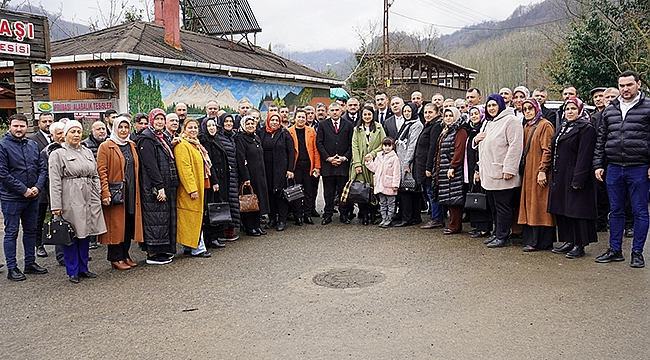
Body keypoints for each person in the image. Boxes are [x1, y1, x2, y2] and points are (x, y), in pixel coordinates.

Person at [594, 70, 650, 268]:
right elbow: (601, 140)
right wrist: (598, 164)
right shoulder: (610, 110)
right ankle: (615, 250)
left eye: (629, 85)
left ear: (638, 84)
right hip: (614, 168)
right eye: (622, 86)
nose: (625, 89)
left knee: (640, 211)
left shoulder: (648, 107)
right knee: (616, 211)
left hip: (639, 168)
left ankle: (637, 252)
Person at [49, 120, 107, 283]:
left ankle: (84, 268)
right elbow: (54, 181)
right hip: (70, 196)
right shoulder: (58, 154)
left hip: (89, 195)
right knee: (72, 234)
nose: (76, 135)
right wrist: (56, 205)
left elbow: (95, 174)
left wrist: (98, 192)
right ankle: (72, 270)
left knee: (85, 232)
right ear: (66, 135)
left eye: (78, 132)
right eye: (72, 132)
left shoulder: (87, 151)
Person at [0, 114, 48, 281]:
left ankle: (30, 263)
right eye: (16, 126)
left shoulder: (32, 145)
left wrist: (37, 187)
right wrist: (23, 190)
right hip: (11, 198)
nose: (19, 129)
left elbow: (42, 168)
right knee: (11, 233)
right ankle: (12, 268)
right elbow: (3, 174)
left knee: (31, 231)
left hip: (32, 196)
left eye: (22, 126)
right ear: (9, 127)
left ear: (27, 127)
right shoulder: (2, 145)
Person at [548, 98, 597, 258]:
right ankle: (568, 240)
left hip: (576, 175)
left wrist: (578, 179)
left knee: (577, 211)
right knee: (564, 209)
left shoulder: (586, 128)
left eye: (573, 109)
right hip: (560, 175)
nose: (569, 112)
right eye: (567, 109)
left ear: (580, 110)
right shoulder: (563, 127)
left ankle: (579, 244)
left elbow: (585, 156)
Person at [474, 94, 524, 248]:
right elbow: (482, 144)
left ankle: (503, 236)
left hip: (502, 173)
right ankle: (497, 232)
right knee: (494, 206)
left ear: (501, 105)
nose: (491, 108)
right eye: (489, 106)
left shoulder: (511, 121)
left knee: (503, 207)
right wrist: (476, 140)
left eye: (494, 105)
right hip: (488, 173)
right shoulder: (488, 123)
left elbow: (516, 147)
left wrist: (510, 169)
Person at [97, 115, 143, 270]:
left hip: (131, 191)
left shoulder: (132, 145)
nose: (123, 130)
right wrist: (105, 192)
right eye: (120, 127)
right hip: (115, 192)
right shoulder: (106, 146)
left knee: (129, 224)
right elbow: (101, 171)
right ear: (115, 128)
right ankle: (115, 257)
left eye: (126, 127)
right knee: (116, 226)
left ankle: (125, 254)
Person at [136, 108, 179, 265]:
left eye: (162, 119)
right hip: (154, 187)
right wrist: (159, 186)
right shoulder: (147, 139)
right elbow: (150, 165)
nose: (160, 122)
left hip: (164, 184)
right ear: (151, 120)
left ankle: (161, 251)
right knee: (155, 219)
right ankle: (153, 254)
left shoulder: (159, 137)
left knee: (161, 218)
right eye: (157, 119)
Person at [517, 99, 556, 252]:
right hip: (528, 171)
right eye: (525, 109)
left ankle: (541, 241)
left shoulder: (545, 125)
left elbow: (548, 149)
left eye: (530, 108)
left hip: (539, 171)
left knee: (540, 205)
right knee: (530, 204)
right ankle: (532, 239)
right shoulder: (527, 126)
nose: (527, 111)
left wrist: (542, 170)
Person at [174, 118, 211, 258]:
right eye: (190, 128)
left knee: (192, 218)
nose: (193, 130)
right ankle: (198, 248)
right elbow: (185, 169)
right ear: (184, 129)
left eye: (195, 128)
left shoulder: (196, 144)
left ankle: (189, 246)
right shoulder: (183, 145)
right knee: (192, 218)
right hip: (190, 190)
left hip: (198, 186)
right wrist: (192, 189)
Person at [317, 102, 354, 225]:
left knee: (343, 191)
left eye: (337, 110)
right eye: (332, 110)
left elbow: (351, 144)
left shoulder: (348, 125)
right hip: (328, 164)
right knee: (328, 192)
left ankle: (343, 214)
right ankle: (327, 214)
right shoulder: (323, 125)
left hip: (343, 164)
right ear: (328, 112)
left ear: (341, 111)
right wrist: (328, 158)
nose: (334, 112)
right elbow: (319, 143)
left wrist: (344, 158)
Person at [349, 106, 386, 225]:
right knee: (362, 190)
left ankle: (373, 214)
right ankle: (364, 215)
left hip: (375, 163)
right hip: (361, 163)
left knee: (374, 190)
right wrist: (357, 164)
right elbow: (354, 147)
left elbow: (383, 144)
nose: (367, 117)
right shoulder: (357, 129)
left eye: (369, 114)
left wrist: (373, 153)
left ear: (373, 115)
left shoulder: (379, 127)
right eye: (364, 114)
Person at [259, 113, 295, 231]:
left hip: (281, 169)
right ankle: (272, 219)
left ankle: (282, 220)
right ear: (268, 121)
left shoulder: (284, 133)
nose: (274, 122)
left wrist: (290, 169)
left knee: (281, 195)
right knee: (269, 195)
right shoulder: (262, 132)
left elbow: (291, 152)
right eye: (272, 120)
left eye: (276, 120)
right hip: (266, 169)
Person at [434, 107, 467, 235]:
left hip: (453, 169)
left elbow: (459, 151)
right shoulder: (446, 130)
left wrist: (452, 166)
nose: (448, 118)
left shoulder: (460, 130)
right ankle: (452, 224)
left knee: (454, 199)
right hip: (444, 168)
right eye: (446, 115)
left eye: (450, 115)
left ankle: (455, 226)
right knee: (449, 197)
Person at [236, 116, 270, 236]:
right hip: (249, 175)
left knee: (257, 200)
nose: (250, 125)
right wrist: (246, 178)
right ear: (243, 125)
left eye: (252, 123)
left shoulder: (256, 138)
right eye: (248, 123)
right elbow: (241, 159)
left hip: (260, 174)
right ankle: (250, 227)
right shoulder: (240, 139)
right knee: (249, 200)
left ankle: (257, 225)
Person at [198, 117, 229, 247]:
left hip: (222, 177)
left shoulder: (216, 138)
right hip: (213, 179)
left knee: (218, 205)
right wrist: (214, 181)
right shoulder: (204, 141)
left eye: (213, 125)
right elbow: (208, 164)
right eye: (209, 126)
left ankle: (217, 235)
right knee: (212, 208)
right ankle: (211, 237)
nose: (212, 128)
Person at [287, 109, 320, 225]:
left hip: (308, 165)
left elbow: (316, 150)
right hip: (296, 166)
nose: (301, 119)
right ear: (295, 118)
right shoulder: (289, 131)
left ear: (306, 119)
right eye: (299, 117)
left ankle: (307, 214)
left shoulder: (311, 131)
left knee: (309, 191)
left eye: (303, 117)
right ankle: (297, 216)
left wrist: (317, 166)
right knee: (297, 191)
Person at [393, 102, 424, 227]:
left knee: (407, 190)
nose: (406, 113)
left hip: (408, 162)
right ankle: (414, 217)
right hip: (401, 159)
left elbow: (412, 145)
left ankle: (407, 218)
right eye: (405, 111)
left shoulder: (416, 125)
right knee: (410, 190)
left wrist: (406, 162)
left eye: (409, 111)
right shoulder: (406, 124)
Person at [465, 106, 492, 238]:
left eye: (476, 114)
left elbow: (481, 151)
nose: (474, 116)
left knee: (480, 198)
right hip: (470, 167)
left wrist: (477, 169)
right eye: (472, 114)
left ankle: (484, 228)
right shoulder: (472, 128)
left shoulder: (483, 128)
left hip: (479, 168)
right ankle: (477, 225)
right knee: (474, 196)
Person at [416, 103, 444, 229]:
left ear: (437, 113)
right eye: (425, 112)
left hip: (429, 165)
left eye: (430, 112)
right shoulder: (428, 125)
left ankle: (437, 218)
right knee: (428, 192)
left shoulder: (436, 126)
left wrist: (429, 167)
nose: (427, 115)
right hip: (422, 164)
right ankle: (436, 216)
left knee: (432, 192)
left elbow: (433, 147)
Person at [30, 112, 54, 258]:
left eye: (50, 121)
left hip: (56, 184)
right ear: (39, 124)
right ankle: (38, 244)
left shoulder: (58, 137)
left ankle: (60, 243)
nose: (48, 124)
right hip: (41, 185)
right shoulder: (33, 140)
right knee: (39, 217)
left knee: (58, 217)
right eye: (44, 121)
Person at [215, 113, 241, 241]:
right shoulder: (219, 137)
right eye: (226, 122)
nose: (229, 123)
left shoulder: (233, 136)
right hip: (224, 175)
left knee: (233, 201)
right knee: (226, 200)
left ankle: (230, 231)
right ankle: (223, 232)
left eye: (231, 121)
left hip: (234, 173)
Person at [366, 137, 401, 227]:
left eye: (389, 145)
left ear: (393, 146)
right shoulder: (379, 156)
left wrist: (395, 184)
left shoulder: (394, 158)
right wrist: (368, 162)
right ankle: (384, 218)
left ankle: (389, 219)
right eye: (385, 145)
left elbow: (397, 173)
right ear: (382, 146)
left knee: (391, 204)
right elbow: (374, 168)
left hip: (389, 185)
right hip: (380, 185)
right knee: (382, 203)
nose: (387, 147)